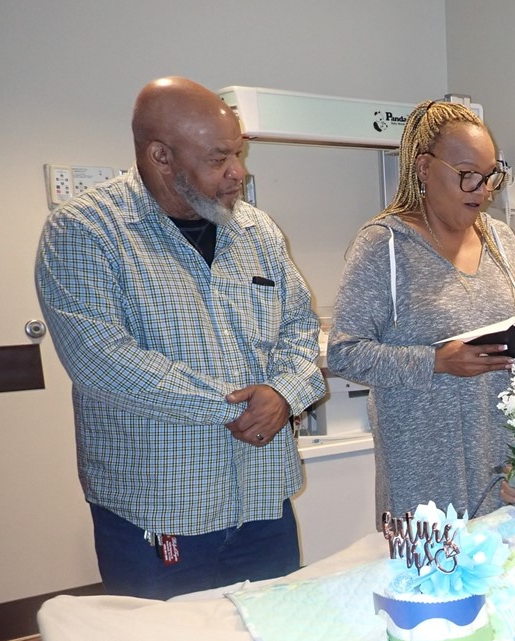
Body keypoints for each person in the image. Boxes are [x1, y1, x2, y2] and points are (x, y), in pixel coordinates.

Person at [35, 76, 326, 599]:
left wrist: (285, 393)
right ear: (160, 156)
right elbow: (102, 359)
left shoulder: (257, 231)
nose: (239, 172)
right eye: (219, 159)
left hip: (263, 501)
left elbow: (301, 329)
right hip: (161, 511)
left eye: (238, 153)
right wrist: (233, 407)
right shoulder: (86, 230)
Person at [326, 100, 515, 523]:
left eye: (491, 175)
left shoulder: (503, 242)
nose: (483, 190)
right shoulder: (385, 245)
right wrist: (436, 362)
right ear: (423, 168)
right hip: (424, 474)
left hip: (502, 467)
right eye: (467, 176)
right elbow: (344, 352)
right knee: (433, 583)